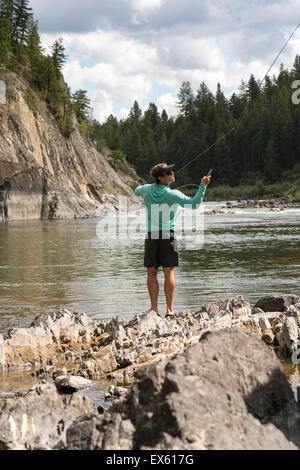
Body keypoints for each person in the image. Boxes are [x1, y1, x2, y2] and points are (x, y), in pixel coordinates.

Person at [134, 163, 211, 317]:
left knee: (151, 272)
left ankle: (154, 309)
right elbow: (195, 204)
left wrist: (151, 187)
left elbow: (136, 190)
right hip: (167, 235)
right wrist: (203, 185)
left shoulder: (147, 189)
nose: (172, 172)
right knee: (168, 272)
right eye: (168, 172)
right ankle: (169, 310)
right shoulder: (174, 194)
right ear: (161, 178)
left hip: (152, 235)